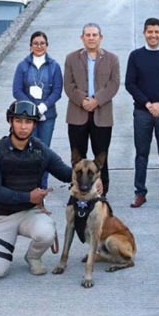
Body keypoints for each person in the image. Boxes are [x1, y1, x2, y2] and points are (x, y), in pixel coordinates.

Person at [0, 100, 74, 279]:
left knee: (46, 232)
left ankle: (33, 257)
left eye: (28, 122)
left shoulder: (40, 149)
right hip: (3, 216)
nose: (23, 127)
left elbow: (65, 173)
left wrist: (94, 176)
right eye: (19, 121)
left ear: (34, 124)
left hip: (30, 213)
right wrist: (28, 196)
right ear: (10, 121)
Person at [125, 17, 159, 208]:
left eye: (157, 32)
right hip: (142, 112)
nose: (153, 35)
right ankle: (140, 192)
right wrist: (148, 104)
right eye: (150, 32)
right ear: (144, 33)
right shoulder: (135, 56)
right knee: (142, 153)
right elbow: (130, 83)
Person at [64, 23, 120, 193]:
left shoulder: (112, 59)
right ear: (82, 37)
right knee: (77, 156)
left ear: (100, 37)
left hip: (102, 115)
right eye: (87, 35)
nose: (91, 38)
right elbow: (68, 85)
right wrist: (83, 101)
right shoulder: (71, 58)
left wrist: (96, 100)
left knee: (101, 155)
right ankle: (77, 188)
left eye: (94, 35)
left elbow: (114, 84)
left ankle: (102, 190)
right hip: (77, 113)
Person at [12, 30, 64, 187]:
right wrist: (32, 107)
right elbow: (17, 90)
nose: (39, 46)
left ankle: (42, 186)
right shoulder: (23, 66)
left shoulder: (54, 66)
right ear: (30, 46)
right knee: (27, 150)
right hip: (27, 117)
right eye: (35, 43)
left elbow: (57, 90)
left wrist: (43, 106)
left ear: (47, 46)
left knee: (43, 151)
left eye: (42, 43)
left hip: (47, 116)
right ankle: (28, 185)